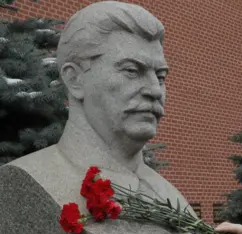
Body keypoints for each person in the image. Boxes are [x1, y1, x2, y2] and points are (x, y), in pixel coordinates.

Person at [0, 1, 194, 215]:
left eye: (160, 77)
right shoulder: (24, 184)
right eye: (131, 70)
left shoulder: (175, 202)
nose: (155, 91)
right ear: (75, 79)